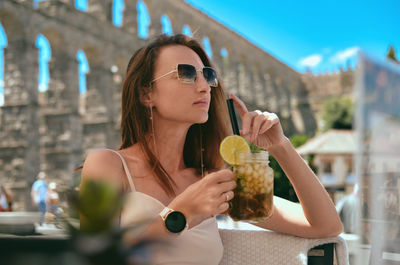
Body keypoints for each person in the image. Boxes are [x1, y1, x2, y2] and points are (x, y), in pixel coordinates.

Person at [81, 34, 343, 264]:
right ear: (146, 95)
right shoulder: (108, 165)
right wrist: (181, 215)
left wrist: (281, 146)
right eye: (186, 74)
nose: (204, 86)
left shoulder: (214, 182)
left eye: (208, 75)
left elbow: (325, 224)